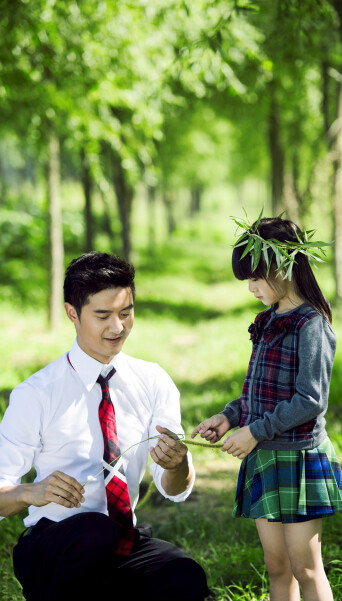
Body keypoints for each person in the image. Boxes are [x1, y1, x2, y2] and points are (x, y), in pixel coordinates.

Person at [0, 251, 209, 601]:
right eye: (103, 316)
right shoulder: (37, 393)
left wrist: (178, 464)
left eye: (126, 313)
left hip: (122, 542)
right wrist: (29, 492)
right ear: (72, 313)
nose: (118, 327)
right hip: (53, 545)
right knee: (93, 531)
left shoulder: (153, 381)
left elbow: (175, 489)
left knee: (184, 575)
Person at [192, 216, 342, 601]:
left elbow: (310, 399)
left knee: (305, 566)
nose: (250, 288)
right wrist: (230, 417)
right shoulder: (267, 321)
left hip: (298, 460)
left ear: (284, 264)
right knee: (277, 566)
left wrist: (254, 431)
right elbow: (258, 392)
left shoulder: (310, 325)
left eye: (255, 278)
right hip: (266, 459)